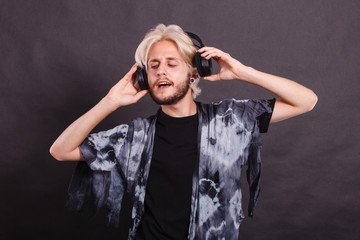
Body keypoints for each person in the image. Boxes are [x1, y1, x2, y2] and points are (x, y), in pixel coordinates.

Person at [50, 24, 317, 240]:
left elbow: (305, 100)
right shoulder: (135, 135)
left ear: (194, 74)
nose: (160, 70)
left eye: (171, 63)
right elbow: (61, 150)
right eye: (153, 66)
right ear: (145, 78)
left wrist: (244, 72)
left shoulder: (230, 120)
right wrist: (110, 101)